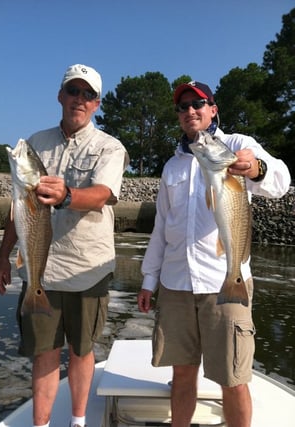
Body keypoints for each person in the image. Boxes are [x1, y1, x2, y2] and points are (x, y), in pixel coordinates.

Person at [137, 80, 291, 427]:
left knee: (233, 379)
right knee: (182, 374)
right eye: (182, 106)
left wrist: (254, 168)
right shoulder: (172, 166)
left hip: (225, 280)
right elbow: (162, 226)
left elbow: (280, 180)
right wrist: (149, 280)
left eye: (198, 103)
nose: (190, 110)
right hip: (176, 283)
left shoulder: (237, 145)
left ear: (213, 109)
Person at [0, 64, 129, 427]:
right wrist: (4, 256)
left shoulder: (110, 147)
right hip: (42, 271)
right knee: (44, 353)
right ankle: (41, 424)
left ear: (97, 103)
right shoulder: (35, 143)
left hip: (89, 268)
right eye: (73, 91)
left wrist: (67, 195)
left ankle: (78, 421)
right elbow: (17, 210)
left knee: (82, 351)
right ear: (60, 95)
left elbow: (102, 195)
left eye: (87, 94)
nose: (79, 100)